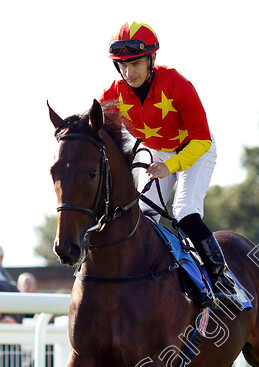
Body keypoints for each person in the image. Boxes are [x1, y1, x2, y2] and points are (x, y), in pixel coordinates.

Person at [99, 21, 240, 307]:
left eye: (136, 63)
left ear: (152, 59)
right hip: (156, 151)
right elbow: (98, 133)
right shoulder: (112, 94)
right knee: (141, 214)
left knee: (184, 212)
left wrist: (171, 165)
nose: (129, 72)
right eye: (122, 65)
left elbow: (201, 140)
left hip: (195, 150)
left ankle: (221, 277)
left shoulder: (177, 84)